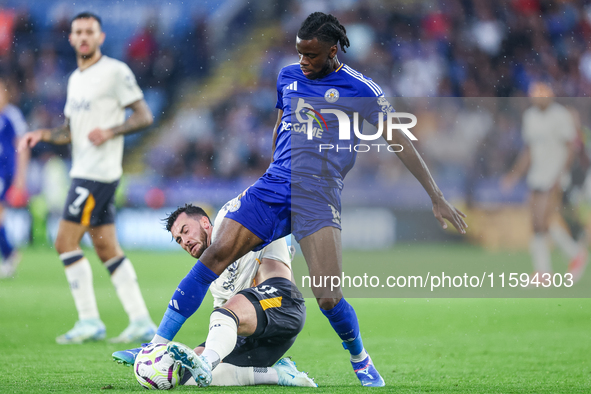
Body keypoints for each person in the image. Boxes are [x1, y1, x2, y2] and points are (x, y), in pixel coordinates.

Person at [128, 12, 467, 388]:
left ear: (333, 50)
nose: (303, 61)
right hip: (273, 188)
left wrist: (435, 196)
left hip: (318, 197)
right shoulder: (287, 77)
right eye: (299, 53)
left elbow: (399, 140)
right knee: (213, 257)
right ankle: (155, 345)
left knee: (327, 297)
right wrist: (274, 167)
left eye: (312, 55)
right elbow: (280, 125)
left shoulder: (362, 89)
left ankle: (360, 356)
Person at [19, 12, 156, 344]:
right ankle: (141, 320)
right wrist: (44, 135)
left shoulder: (115, 72)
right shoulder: (75, 79)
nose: (83, 36)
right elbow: (70, 132)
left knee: (65, 241)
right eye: (77, 32)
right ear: (71, 38)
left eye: (89, 31)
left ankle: (89, 320)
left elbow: (144, 115)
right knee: (107, 247)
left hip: (96, 174)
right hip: (86, 171)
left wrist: (111, 130)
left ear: (100, 37)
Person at [113, 198, 316, 387]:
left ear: (204, 222)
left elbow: (257, 198)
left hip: (282, 303)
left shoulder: (229, 222)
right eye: (178, 239)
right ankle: (277, 374)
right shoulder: (214, 280)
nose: (184, 240)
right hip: (258, 336)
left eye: (185, 230)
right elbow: (226, 327)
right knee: (182, 373)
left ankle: (204, 361)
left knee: (221, 317)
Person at [502, 82, 588, 281]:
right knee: (538, 223)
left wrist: (561, 176)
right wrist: (513, 175)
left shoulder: (560, 116)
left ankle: (557, 264)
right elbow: (528, 151)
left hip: (554, 176)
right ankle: (561, 261)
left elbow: (571, 148)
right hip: (537, 176)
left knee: (541, 221)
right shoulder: (530, 116)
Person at [0, 78, 29, 279]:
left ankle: (10, 253)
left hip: (4, 174)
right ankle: (10, 253)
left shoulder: (12, 115)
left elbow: (23, 145)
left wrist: (20, 177)